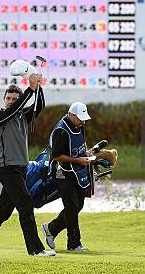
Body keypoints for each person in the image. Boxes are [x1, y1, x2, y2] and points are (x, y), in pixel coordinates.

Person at [0, 74, 55, 257]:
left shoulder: (23, 116)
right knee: (25, 205)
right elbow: (12, 111)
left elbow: (38, 106)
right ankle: (36, 250)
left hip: (21, 169)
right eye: (8, 98)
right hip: (7, 169)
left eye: (14, 99)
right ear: (4, 99)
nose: (11, 102)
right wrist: (29, 89)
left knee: (3, 211)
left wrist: (38, 87)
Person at [41, 102, 93, 252]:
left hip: (76, 171)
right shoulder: (60, 131)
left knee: (79, 205)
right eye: (80, 118)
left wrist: (86, 154)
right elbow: (57, 156)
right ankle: (74, 244)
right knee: (71, 207)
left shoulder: (79, 126)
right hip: (61, 172)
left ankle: (51, 228)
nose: (83, 122)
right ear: (71, 115)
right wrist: (78, 160)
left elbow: (80, 144)